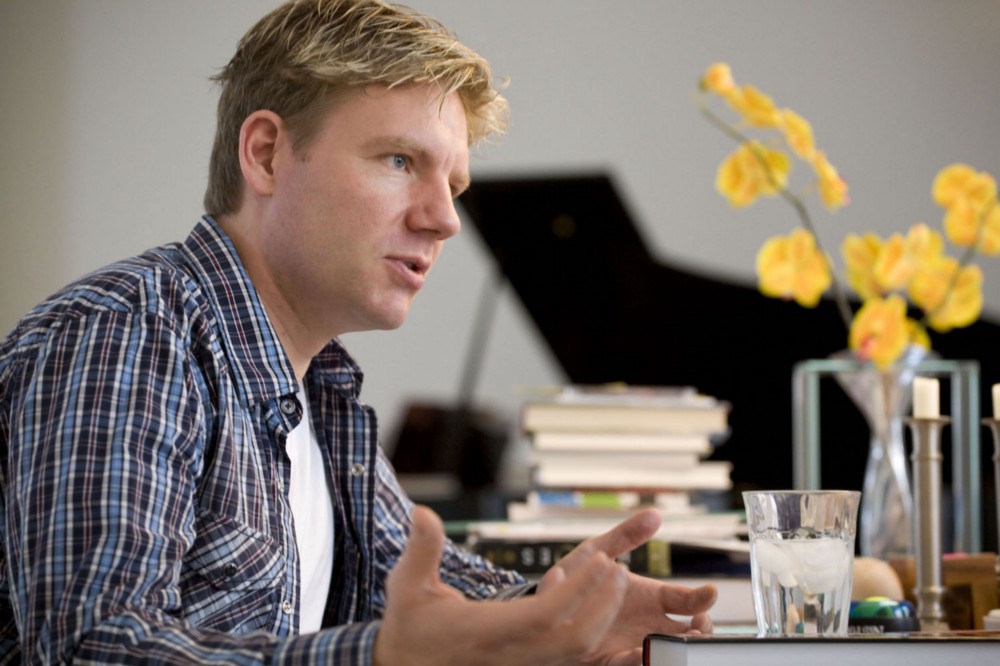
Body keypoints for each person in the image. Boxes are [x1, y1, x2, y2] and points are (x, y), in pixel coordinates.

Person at [0, 0, 717, 663]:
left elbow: (433, 596)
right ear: (267, 154)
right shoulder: (130, 337)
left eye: (454, 185)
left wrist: (560, 617)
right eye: (401, 161)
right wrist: (378, 659)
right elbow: (90, 649)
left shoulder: (320, 389)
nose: (444, 219)